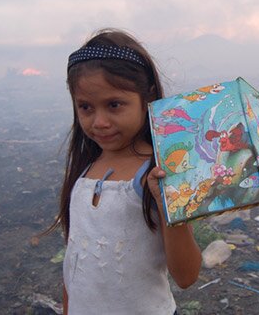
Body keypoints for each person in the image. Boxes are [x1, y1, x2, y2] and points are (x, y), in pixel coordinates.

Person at [48, 28, 201, 315]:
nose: (99, 121)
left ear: (148, 99)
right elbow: (75, 263)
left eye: (114, 104)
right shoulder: (84, 171)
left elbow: (186, 275)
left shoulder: (157, 174)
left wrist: (168, 206)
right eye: (86, 107)